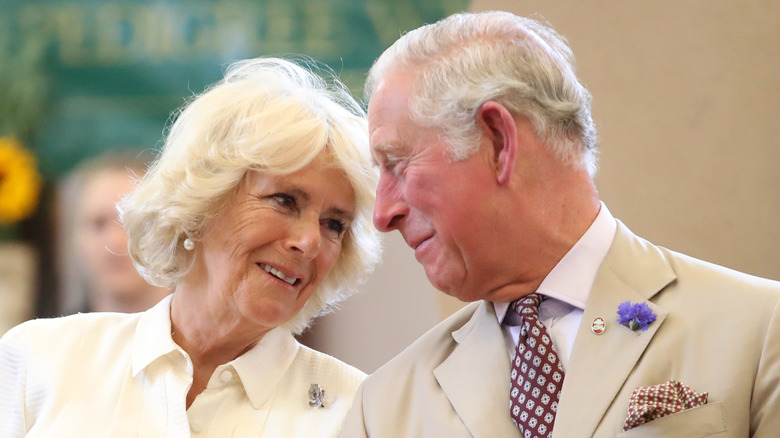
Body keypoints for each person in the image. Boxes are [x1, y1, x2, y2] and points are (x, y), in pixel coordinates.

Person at [341, 10, 780, 438]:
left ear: (498, 141)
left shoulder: (760, 332)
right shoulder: (381, 409)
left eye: (397, 165)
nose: (382, 215)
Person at [0, 56, 381, 436]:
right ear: (204, 201)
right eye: (284, 201)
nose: (310, 242)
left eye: (334, 224)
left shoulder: (357, 411)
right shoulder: (41, 359)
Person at [57, 150, 171, 314]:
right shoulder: (51, 338)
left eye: (132, 223)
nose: (114, 240)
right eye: (98, 223)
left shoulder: (209, 337)